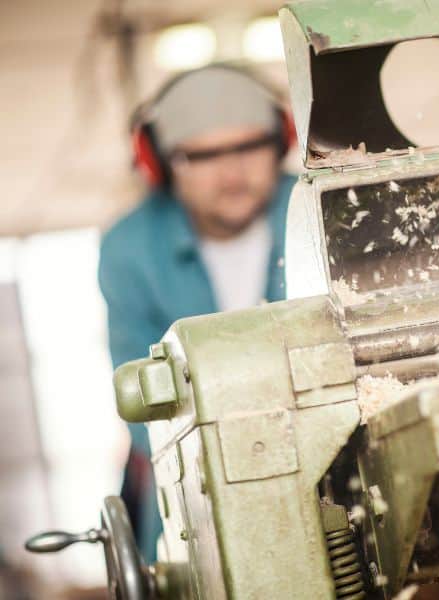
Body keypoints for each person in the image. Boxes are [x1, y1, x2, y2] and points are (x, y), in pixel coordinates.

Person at [98, 64, 296, 562]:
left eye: (250, 146)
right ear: (159, 163)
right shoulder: (129, 249)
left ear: (282, 141)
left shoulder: (327, 205)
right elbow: (147, 409)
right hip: (197, 488)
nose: (232, 173)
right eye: (203, 156)